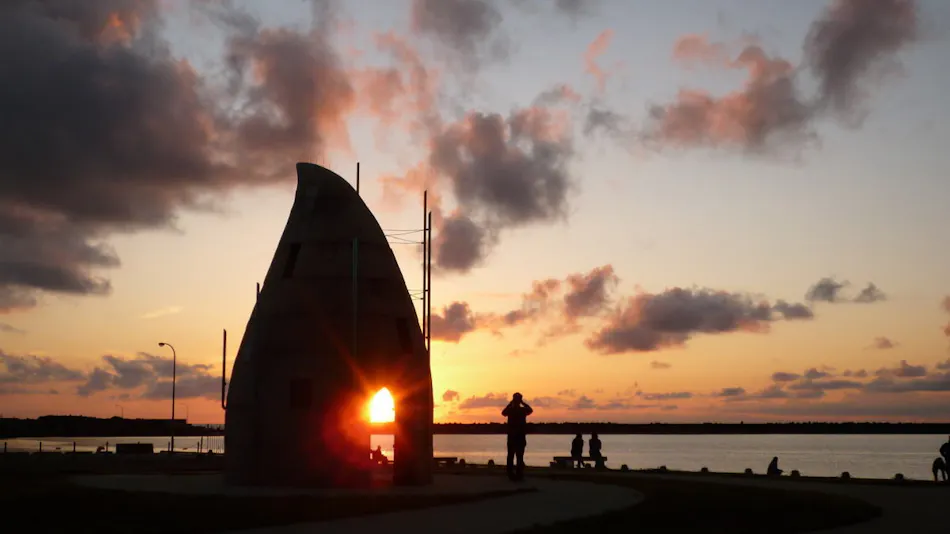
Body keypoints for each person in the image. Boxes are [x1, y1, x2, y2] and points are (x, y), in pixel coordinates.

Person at [502, 392, 533, 481]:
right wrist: (523, 403)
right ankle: (518, 474)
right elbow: (530, 410)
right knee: (518, 456)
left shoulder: (512, 410)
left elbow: (503, 412)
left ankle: (511, 473)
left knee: (512, 456)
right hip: (519, 436)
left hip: (514, 436)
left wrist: (510, 403)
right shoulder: (522, 410)